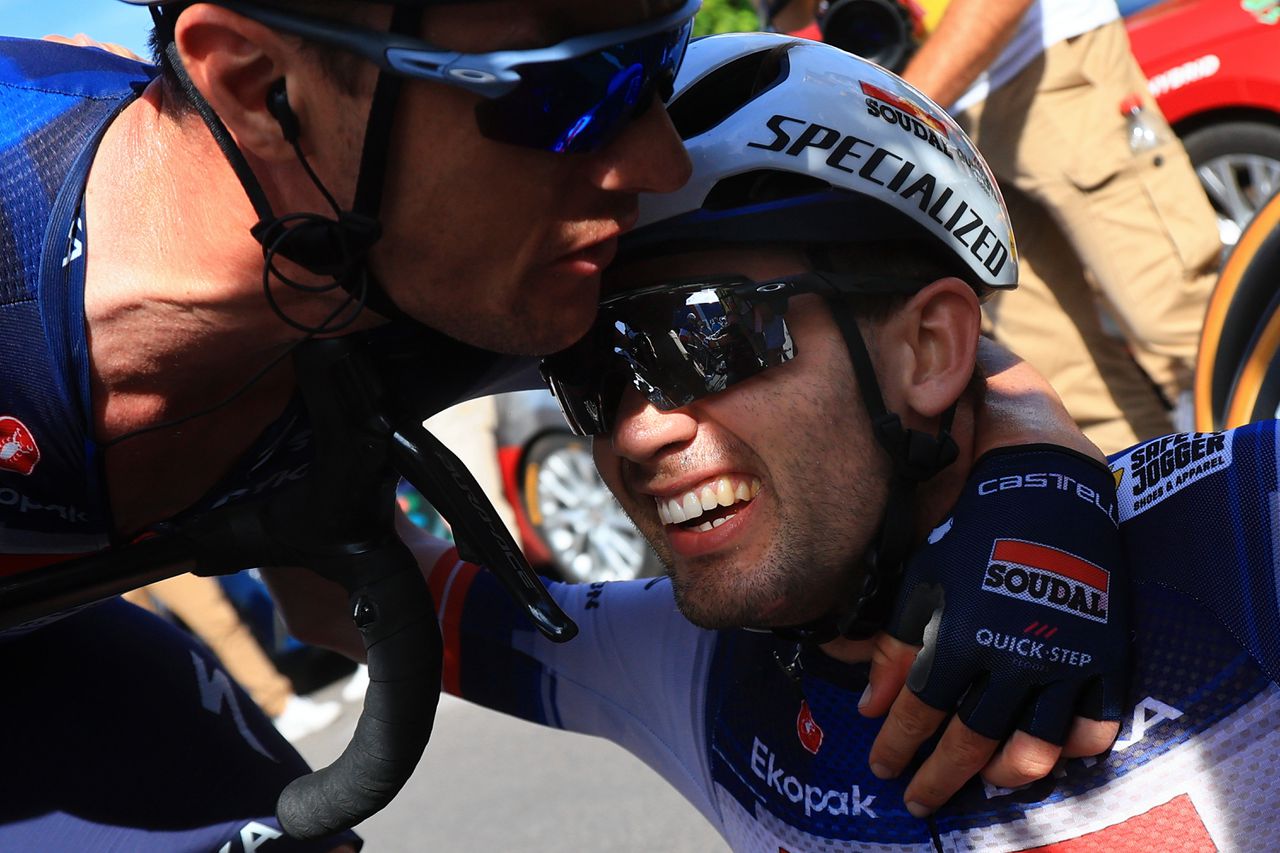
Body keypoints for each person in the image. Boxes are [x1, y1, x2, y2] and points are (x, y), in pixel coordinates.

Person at [409, 34, 1280, 849]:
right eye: (591, 375)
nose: (637, 429)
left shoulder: (1241, 531)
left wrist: (1032, 439)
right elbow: (345, 588)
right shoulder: (694, 667)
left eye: (707, 335)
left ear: (931, 347)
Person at [0, 0, 696, 849]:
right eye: (575, 91)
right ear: (262, 90)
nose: (663, 162)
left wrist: (883, 601)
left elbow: (330, 601)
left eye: (662, 63)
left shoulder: (462, 255)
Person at [767, 0, 1221, 454]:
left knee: (1181, 322)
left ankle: (1259, 484)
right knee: (1065, 382)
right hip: (938, 123)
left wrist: (886, 115)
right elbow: (793, 19)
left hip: (1043, 64)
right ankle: (1153, 512)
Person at [123, 573, 344, 742]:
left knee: (219, 620)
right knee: (143, 650)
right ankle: (180, 734)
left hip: (149, 536)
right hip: (103, 554)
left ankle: (281, 703)